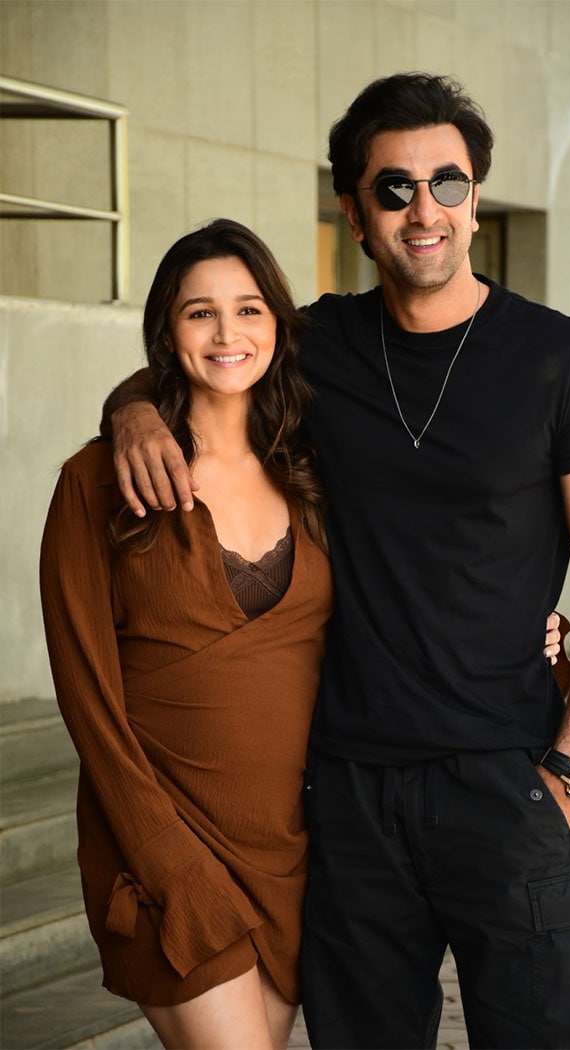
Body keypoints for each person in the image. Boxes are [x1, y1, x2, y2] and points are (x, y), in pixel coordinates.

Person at [101, 72, 570, 1050]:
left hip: (507, 780)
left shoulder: (569, 364)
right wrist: (131, 407)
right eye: (393, 188)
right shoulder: (316, 347)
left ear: (475, 197)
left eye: (447, 182)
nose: (422, 209)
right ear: (353, 210)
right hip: (346, 793)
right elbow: (205, 355)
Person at [39, 219, 334, 1050]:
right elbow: (87, 699)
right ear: (166, 332)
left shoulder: (312, 468)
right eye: (199, 313)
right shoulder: (97, 480)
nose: (229, 334)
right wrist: (166, 858)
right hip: (164, 845)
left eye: (248, 309)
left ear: (278, 321)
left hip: (290, 851)